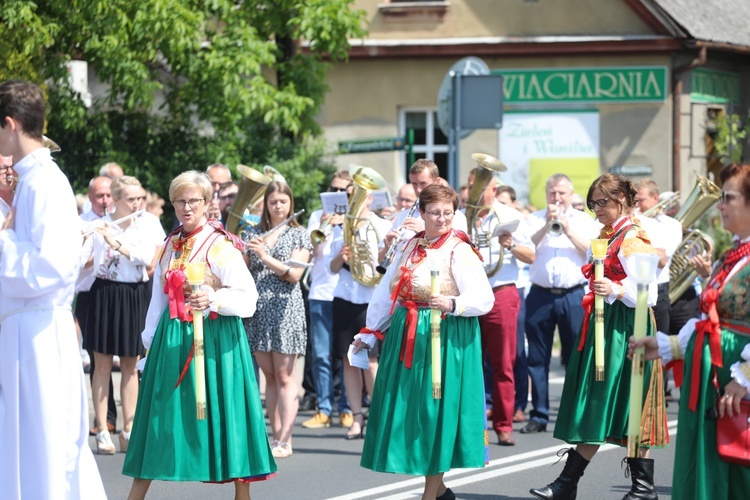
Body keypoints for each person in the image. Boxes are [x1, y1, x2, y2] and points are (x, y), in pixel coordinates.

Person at [123, 170, 276, 498]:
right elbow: (158, 298)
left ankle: (242, 493)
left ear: (207, 203)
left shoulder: (220, 245)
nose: (186, 207)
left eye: (193, 200)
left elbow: (248, 298)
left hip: (216, 340)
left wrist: (214, 298)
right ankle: (136, 494)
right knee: (159, 418)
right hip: (172, 341)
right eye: (180, 201)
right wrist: (150, 346)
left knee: (225, 412)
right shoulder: (170, 244)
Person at [530, 173, 668, 500]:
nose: (597, 209)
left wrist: (617, 289)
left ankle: (574, 484)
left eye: (603, 201)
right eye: (594, 203)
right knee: (613, 402)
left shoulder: (634, 237)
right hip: (609, 325)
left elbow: (649, 294)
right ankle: (634, 488)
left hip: (628, 327)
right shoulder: (609, 234)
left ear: (622, 198)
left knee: (624, 403)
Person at [0, 79, 106, 498]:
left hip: (40, 332)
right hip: (27, 327)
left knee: (45, 444)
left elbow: (52, 266)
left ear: (9, 124)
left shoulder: (46, 181)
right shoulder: (31, 180)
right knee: (27, 442)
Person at [355, 183, 494, 499]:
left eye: (448, 213)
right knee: (412, 412)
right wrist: (370, 331)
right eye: (435, 213)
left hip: (444, 335)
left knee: (435, 412)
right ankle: (441, 491)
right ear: (422, 213)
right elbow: (387, 291)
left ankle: (430, 494)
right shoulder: (410, 245)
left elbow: (484, 298)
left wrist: (454, 304)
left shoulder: (459, 249)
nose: (442, 219)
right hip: (408, 331)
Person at [629, 163, 750, 500]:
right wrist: (665, 346)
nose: (721, 205)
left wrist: (743, 379)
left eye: (729, 198)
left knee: (736, 466)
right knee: (708, 463)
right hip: (710, 372)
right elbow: (709, 319)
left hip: (731, 377)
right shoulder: (733, 256)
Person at [82, 176, 165, 454]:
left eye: (140, 198)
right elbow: (80, 261)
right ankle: (104, 429)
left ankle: (129, 429)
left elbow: (148, 259)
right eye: (131, 199)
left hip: (135, 294)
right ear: (115, 200)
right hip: (105, 292)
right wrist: (89, 238)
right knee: (102, 364)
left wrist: (115, 243)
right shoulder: (98, 224)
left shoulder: (149, 222)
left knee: (131, 364)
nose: (138, 204)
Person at [517, 174, 600, 434]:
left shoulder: (584, 221)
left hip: (573, 295)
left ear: (571, 194)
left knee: (575, 355)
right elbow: (526, 249)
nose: (557, 198)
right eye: (552, 193)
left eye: (561, 193)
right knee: (537, 358)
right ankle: (539, 414)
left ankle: (576, 412)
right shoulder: (533, 219)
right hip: (540, 294)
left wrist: (567, 227)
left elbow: (593, 251)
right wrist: (546, 224)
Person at [243, 181, 312, 458]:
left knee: (285, 376)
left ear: (290, 203)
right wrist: (242, 252)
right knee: (268, 377)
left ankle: (286, 438)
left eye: (283, 201)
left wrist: (264, 255)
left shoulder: (300, 235)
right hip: (259, 308)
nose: (278, 206)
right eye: (273, 201)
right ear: (265, 204)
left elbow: (293, 274)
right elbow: (245, 270)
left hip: (285, 309)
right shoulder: (253, 232)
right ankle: (274, 437)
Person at [467, 172, 534, 446]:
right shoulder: (460, 216)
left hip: (501, 292)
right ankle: (473, 427)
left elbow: (531, 255)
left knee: (503, 364)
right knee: (468, 364)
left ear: (494, 189)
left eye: (481, 187)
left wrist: (511, 245)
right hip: (469, 293)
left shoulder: (508, 215)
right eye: (472, 186)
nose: (475, 192)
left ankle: (503, 424)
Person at [329, 174, 391, 439]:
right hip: (345, 297)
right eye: (352, 195)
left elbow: (383, 268)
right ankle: (356, 417)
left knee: (371, 360)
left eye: (360, 195)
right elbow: (331, 269)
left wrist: (384, 249)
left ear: (371, 198)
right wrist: (340, 256)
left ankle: (376, 417)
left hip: (371, 299)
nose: (355, 200)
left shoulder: (381, 225)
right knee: (348, 359)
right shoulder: (342, 226)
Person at [303, 171, 354, 429]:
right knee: (321, 355)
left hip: (344, 294)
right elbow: (314, 251)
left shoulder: (354, 219)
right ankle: (323, 409)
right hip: (321, 292)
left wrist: (344, 224)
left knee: (344, 356)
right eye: (333, 189)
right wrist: (324, 225)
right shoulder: (316, 216)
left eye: (343, 191)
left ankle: (346, 408)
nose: (337, 194)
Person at [77, 176, 119, 435]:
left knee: (126, 354)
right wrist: (99, 252)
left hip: (116, 290)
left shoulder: (121, 221)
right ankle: (105, 417)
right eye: (99, 196)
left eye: (108, 195)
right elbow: (75, 262)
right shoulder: (82, 223)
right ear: (90, 198)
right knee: (97, 356)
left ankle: (128, 418)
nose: (104, 200)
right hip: (89, 294)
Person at [382, 159, 467, 265]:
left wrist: (424, 233)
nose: (418, 190)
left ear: (437, 182)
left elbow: (457, 255)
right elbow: (381, 260)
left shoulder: (455, 216)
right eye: (414, 184)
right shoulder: (404, 215)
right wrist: (387, 247)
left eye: (423, 183)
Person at [496, 184, 533, 423]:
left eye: (504, 202)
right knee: (491, 357)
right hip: (489, 291)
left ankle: (519, 405)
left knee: (515, 352)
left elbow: (531, 254)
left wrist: (510, 244)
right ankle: (491, 403)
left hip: (514, 289)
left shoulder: (516, 219)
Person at [634, 179, 683, 337]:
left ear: (655, 198)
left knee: (657, 341)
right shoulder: (633, 221)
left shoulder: (671, 225)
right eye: (634, 201)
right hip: (632, 288)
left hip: (658, 289)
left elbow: (661, 261)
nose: (637, 205)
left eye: (641, 200)